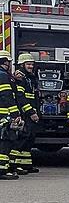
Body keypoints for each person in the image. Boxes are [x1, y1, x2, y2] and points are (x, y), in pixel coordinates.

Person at [11, 53, 39, 174]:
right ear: (22, 65)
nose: (31, 66)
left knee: (29, 138)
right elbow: (20, 97)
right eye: (28, 64)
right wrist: (30, 112)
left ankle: (26, 165)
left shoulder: (30, 77)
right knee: (21, 138)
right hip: (24, 112)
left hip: (30, 110)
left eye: (32, 64)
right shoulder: (21, 78)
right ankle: (14, 165)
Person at [0, 51, 22, 180]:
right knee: (5, 141)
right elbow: (7, 95)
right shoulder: (3, 76)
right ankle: (2, 170)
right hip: (4, 114)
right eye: (8, 61)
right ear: (5, 62)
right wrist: (15, 113)